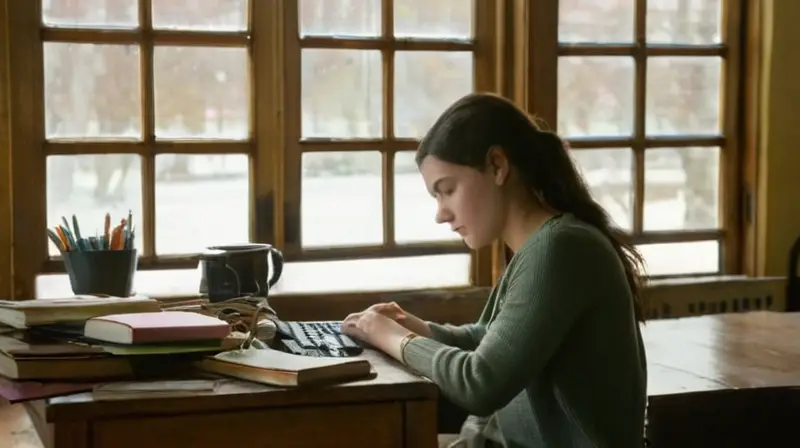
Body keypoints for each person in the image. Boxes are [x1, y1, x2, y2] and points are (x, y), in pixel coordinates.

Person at [341, 92, 648, 447]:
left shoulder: (562, 248)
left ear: (497, 166)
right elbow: (488, 341)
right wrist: (418, 328)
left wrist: (392, 337)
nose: (441, 214)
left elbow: (480, 382)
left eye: (448, 190)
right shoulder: (542, 246)